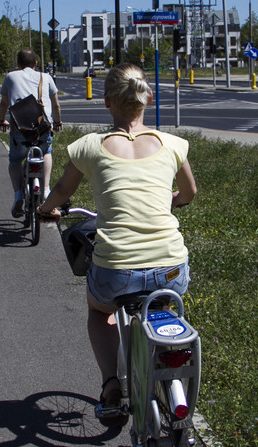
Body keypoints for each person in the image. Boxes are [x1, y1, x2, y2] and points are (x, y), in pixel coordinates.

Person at [37, 63, 197, 427]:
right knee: (165, 303)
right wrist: (172, 201)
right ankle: (167, 368)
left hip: (116, 271)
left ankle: (111, 384)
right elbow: (189, 193)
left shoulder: (90, 146)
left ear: (107, 102)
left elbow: (63, 191)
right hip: (171, 267)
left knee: (98, 310)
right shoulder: (172, 145)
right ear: (148, 98)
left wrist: (46, 210)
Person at [0, 49, 63, 218]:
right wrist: (57, 122)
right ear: (35, 64)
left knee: (15, 160)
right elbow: (56, 105)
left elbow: (4, 102)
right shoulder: (46, 77)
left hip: (20, 130)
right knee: (46, 152)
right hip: (42, 129)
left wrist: (1, 120)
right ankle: (46, 189)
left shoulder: (11, 77)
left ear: (18, 64)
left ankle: (18, 194)